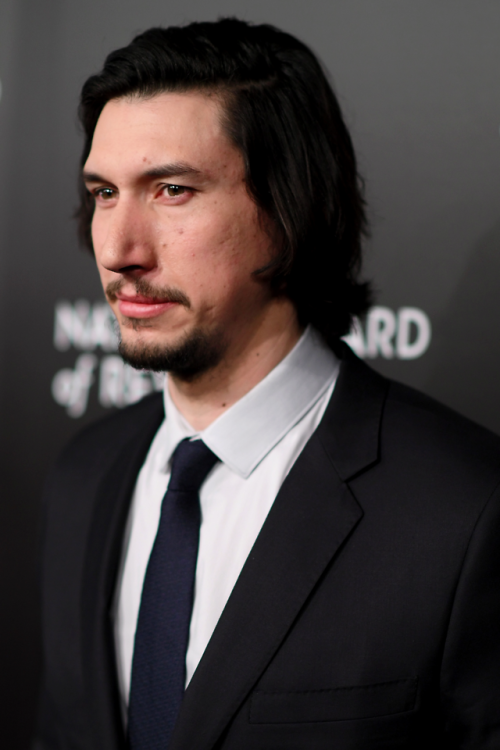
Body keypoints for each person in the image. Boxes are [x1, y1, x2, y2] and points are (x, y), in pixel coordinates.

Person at [34, 18, 500, 750]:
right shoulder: (82, 477)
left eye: (172, 190)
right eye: (103, 193)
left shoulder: (467, 509)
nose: (120, 250)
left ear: (289, 208)